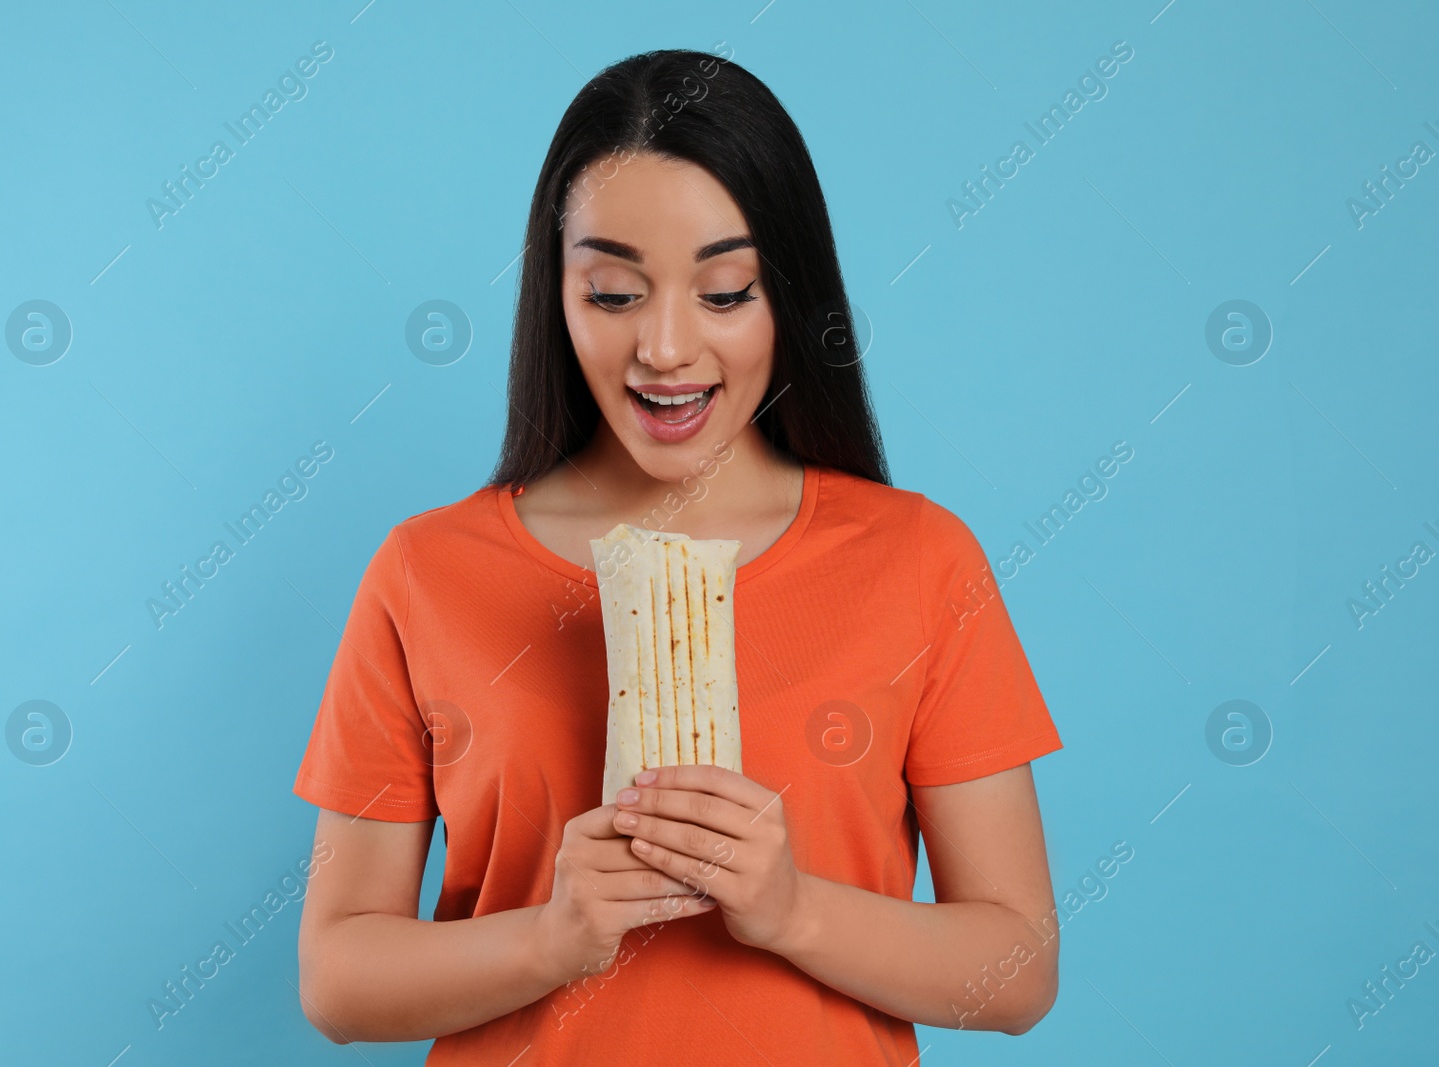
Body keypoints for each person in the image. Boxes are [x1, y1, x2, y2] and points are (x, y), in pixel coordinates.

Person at [292, 48, 1064, 1064]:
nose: (663, 347)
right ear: (554, 295)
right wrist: (551, 936)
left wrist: (792, 907)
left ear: (788, 295)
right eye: (613, 293)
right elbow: (337, 980)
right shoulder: (426, 571)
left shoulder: (918, 559)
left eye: (725, 291)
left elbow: (1017, 969)